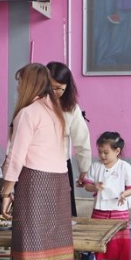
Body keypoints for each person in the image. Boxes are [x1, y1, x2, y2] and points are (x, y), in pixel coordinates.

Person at [1, 63, 74, 260]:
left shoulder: (28, 113)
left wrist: (6, 191)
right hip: (58, 182)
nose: (18, 88)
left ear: (29, 84)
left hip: (35, 181)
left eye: (20, 82)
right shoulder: (56, 111)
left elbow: (16, 156)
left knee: (30, 239)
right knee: (50, 239)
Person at [83, 132, 131, 260]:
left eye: (106, 152)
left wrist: (124, 194)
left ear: (117, 151)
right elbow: (87, 186)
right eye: (100, 152)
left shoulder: (125, 167)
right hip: (99, 209)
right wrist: (95, 187)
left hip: (119, 211)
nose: (102, 155)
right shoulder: (95, 166)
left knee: (116, 241)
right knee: (96, 236)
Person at [46, 62, 92, 217]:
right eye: (50, 87)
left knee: (63, 212)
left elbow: (81, 141)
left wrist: (84, 169)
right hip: (36, 164)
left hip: (61, 164)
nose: (54, 92)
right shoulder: (35, 104)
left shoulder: (71, 108)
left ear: (67, 86)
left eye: (59, 88)